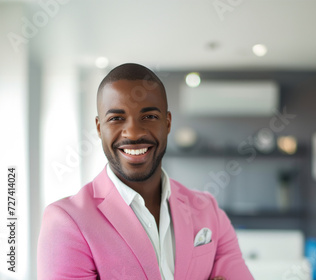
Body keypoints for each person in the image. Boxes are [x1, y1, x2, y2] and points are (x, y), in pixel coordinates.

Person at [37, 63, 254, 280]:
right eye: (116, 118)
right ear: (98, 128)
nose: (133, 133)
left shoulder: (209, 210)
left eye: (149, 116)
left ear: (167, 123)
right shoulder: (67, 221)